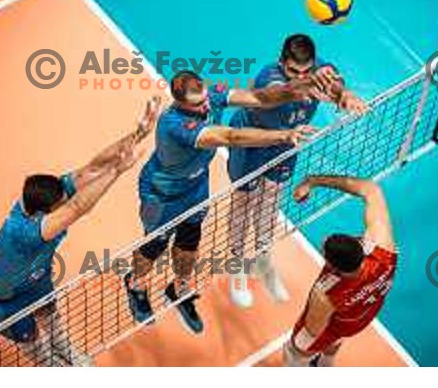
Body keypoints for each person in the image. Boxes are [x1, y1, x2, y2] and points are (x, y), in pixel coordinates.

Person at [126, 70, 323, 334]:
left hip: (195, 188)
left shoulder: (212, 96)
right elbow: (231, 137)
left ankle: (179, 288)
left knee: (189, 242)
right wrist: (284, 135)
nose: (206, 105)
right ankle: (136, 284)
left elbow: (259, 97)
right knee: (153, 247)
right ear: (179, 103)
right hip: (163, 196)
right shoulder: (173, 125)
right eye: (197, 104)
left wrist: (299, 86)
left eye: (205, 98)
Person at [0, 98, 161, 366]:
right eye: (59, 207)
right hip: (5, 301)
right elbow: (76, 207)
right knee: (36, 345)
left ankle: (65, 348)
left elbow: (94, 167)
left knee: (51, 315)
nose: (64, 206)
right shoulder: (24, 233)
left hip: (35, 279)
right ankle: (53, 365)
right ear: (43, 214)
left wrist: (138, 133)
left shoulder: (47, 196)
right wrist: (119, 171)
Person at [227, 34, 368, 308]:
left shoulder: (321, 71)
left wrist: (344, 95)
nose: (300, 75)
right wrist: (309, 83)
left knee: (271, 200)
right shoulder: (268, 78)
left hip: (288, 142)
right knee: (243, 202)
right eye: (293, 70)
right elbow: (283, 93)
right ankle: (236, 265)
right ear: (282, 63)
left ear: (313, 64)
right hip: (253, 142)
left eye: (306, 70)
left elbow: (336, 86)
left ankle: (262, 260)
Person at [283, 174, 397, 367]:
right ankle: (326, 364)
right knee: (337, 337)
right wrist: (313, 180)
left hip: (333, 325)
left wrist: (300, 348)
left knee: (294, 351)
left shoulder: (325, 294)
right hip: (363, 315)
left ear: (333, 267)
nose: (324, 239)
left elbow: (313, 330)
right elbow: (370, 189)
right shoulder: (383, 248)